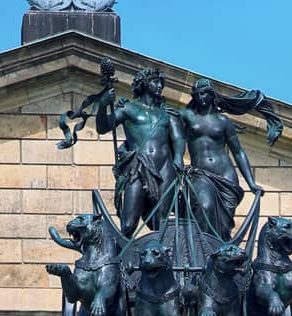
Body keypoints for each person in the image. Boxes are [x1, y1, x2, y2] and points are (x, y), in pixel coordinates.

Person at [176, 78, 267, 246]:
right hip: (201, 174)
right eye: (197, 94)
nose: (201, 97)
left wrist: (251, 183)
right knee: (205, 206)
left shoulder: (224, 122)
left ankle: (218, 251)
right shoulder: (186, 116)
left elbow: (238, 152)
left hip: (226, 176)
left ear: (212, 95)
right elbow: (163, 117)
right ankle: (202, 249)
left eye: (204, 93)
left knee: (224, 225)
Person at [96, 67, 183, 237]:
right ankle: (118, 258)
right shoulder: (129, 108)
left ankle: (161, 258)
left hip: (165, 167)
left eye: (161, 83)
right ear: (144, 83)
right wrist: (102, 105)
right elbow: (103, 127)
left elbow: (179, 138)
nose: (160, 86)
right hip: (138, 167)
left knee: (162, 221)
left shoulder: (167, 114)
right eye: (155, 82)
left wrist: (178, 158)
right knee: (129, 223)